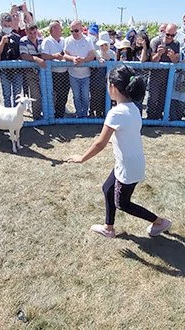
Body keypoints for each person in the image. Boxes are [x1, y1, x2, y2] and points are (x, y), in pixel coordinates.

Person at [66, 64, 172, 238]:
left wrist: (82, 158)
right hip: (131, 161)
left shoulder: (116, 113)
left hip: (128, 166)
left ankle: (159, 222)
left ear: (113, 87)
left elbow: (100, 143)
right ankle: (109, 228)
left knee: (123, 203)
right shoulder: (135, 109)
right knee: (107, 188)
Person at [64, 21, 95, 119]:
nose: (74, 33)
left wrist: (83, 60)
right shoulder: (68, 40)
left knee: (85, 96)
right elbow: (65, 55)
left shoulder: (88, 40)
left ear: (81, 30)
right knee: (76, 96)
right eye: (72, 31)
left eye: (76, 30)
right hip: (73, 74)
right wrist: (72, 59)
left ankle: (84, 114)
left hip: (86, 74)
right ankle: (78, 113)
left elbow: (92, 55)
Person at [148, 23, 180, 120]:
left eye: (172, 35)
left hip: (168, 76)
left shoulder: (176, 44)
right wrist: (158, 54)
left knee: (163, 98)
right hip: (155, 75)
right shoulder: (156, 41)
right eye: (168, 34)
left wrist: (172, 57)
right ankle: (150, 117)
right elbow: (152, 60)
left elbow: (176, 61)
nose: (170, 37)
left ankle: (158, 117)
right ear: (164, 32)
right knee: (153, 97)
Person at [41, 20, 69, 119]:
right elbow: (43, 55)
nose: (61, 29)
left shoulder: (63, 40)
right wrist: (54, 56)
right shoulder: (47, 41)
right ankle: (52, 115)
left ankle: (60, 114)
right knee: (54, 95)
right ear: (53, 29)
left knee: (64, 94)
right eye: (59, 27)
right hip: (53, 73)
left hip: (65, 72)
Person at [0, 12, 24, 109]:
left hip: (17, 71)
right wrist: (2, 42)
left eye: (9, 25)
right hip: (4, 71)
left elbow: (21, 54)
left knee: (17, 95)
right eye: (5, 25)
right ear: (1, 24)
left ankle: (16, 114)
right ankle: (7, 115)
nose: (7, 27)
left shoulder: (17, 37)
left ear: (12, 24)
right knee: (6, 95)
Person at [19, 24, 45, 120]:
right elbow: (24, 55)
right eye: (30, 33)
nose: (33, 35)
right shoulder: (23, 41)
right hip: (30, 73)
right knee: (35, 95)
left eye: (34, 32)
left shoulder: (41, 41)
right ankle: (37, 117)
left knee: (46, 93)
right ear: (26, 32)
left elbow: (45, 54)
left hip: (42, 73)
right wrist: (36, 59)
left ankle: (46, 114)